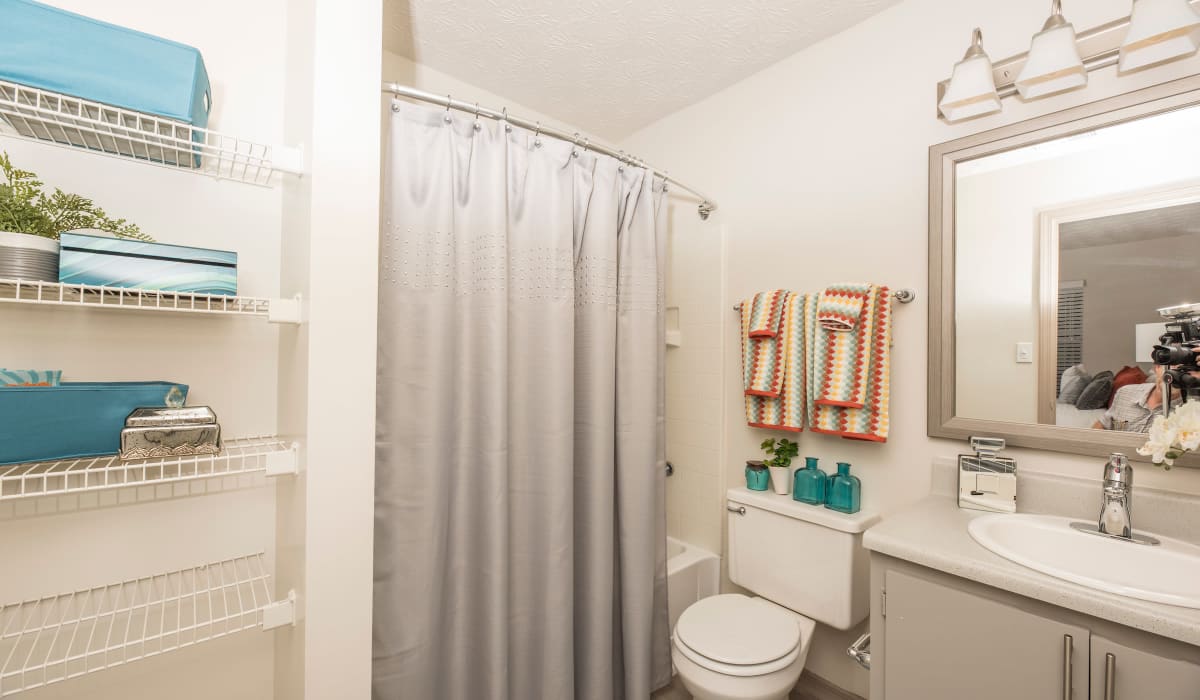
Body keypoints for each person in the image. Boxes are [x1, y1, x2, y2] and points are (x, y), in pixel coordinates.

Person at [1093, 347, 1200, 432]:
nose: (1177, 371)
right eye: (1172, 364)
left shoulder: (1194, 409)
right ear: (1157, 367)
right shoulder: (1125, 392)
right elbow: (1103, 425)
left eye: (1185, 367)